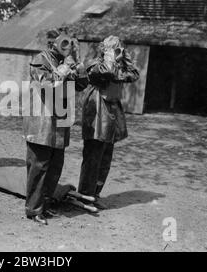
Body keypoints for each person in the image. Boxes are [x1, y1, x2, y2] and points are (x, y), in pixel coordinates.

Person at [23, 29, 83, 225]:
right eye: (63, 44)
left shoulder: (64, 61)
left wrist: (78, 69)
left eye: (68, 44)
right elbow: (47, 85)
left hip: (59, 122)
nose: (67, 48)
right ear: (51, 44)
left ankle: (45, 205)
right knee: (38, 166)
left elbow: (80, 86)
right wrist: (65, 68)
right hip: (42, 122)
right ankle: (33, 209)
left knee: (55, 166)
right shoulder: (40, 60)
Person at [78, 35, 139, 210]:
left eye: (118, 48)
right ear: (104, 49)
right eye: (112, 48)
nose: (116, 51)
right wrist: (110, 56)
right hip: (97, 109)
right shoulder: (94, 64)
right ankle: (85, 195)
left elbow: (134, 74)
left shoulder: (116, 66)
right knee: (93, 155)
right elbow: (107, 72)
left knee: (105, 156)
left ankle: (94, 194)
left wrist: (125, 57)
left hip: (112, 109)